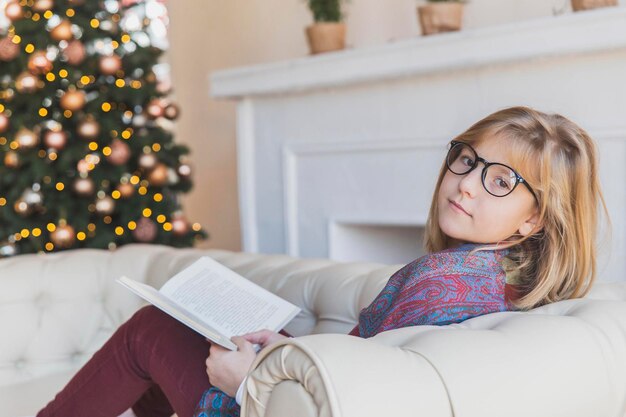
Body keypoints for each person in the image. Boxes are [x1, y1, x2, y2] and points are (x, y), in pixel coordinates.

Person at [36, 106, 607, 417]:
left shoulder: (439, 282)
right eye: (466, 159)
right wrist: (279, 349)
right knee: (183, 337)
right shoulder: (511, 283)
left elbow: (356, 400)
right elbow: (370, 367)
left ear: (535, 218)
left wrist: (249, 380)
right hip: (298, 386)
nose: (466, 184)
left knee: (150, 329)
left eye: (501, 180)